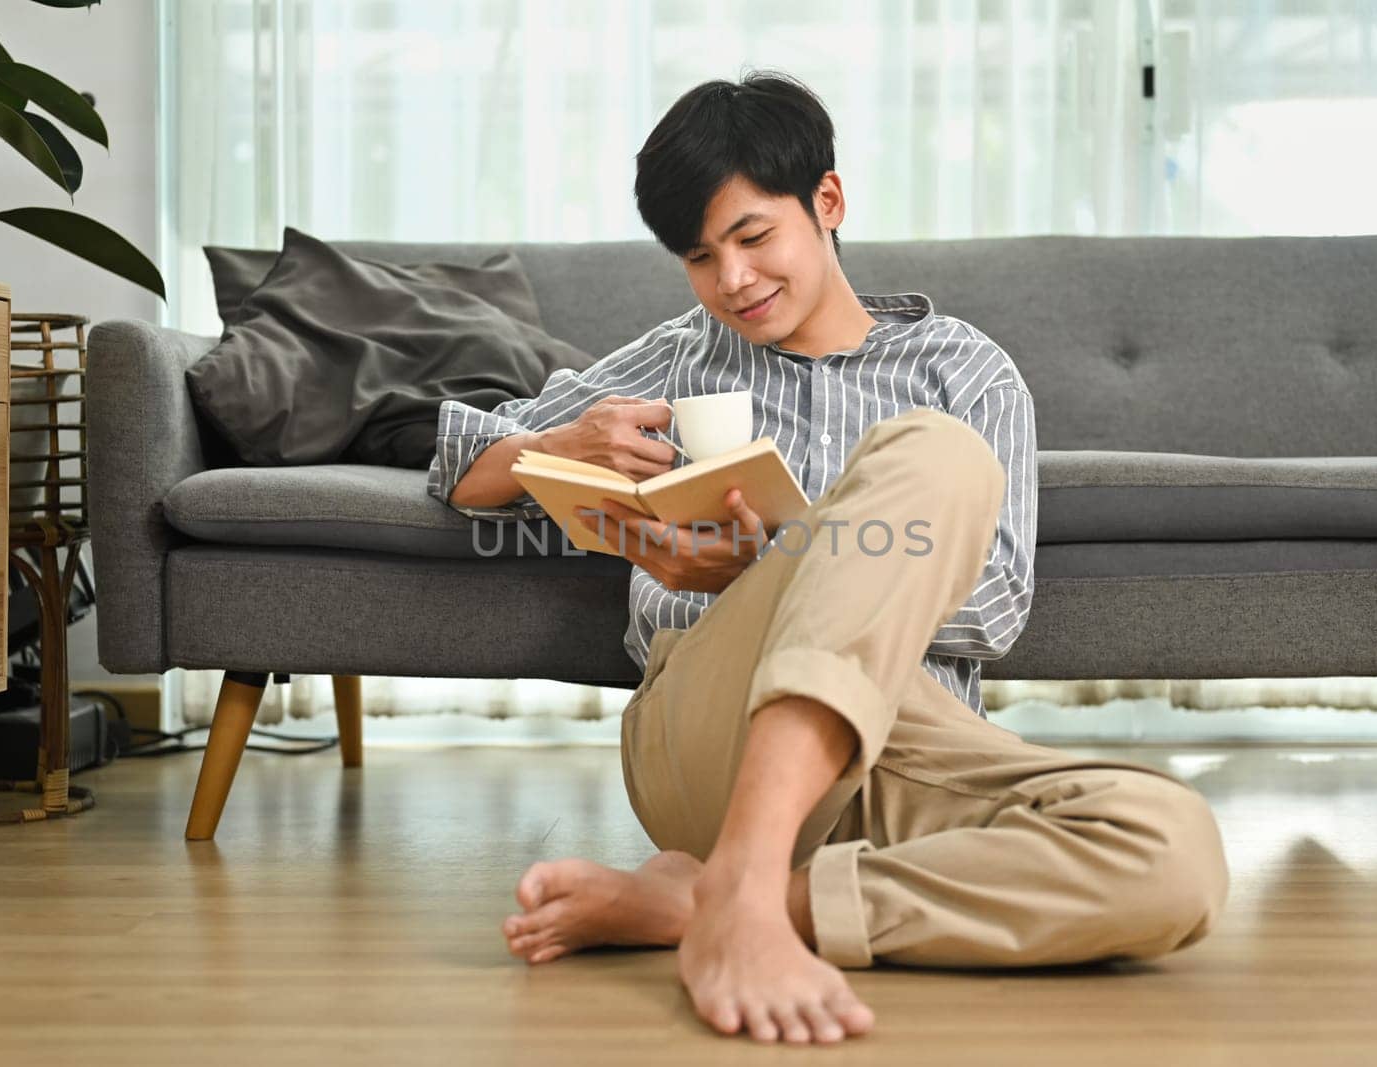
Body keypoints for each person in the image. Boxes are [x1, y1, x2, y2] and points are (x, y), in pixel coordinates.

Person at [427, 70, 1229, 1047]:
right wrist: (563, 448)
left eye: (753, 236)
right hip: (705, 728)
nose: (732, 280)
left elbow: (1003, 604)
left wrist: (795, 558)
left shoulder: (962, 369)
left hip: (904, 736)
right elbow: (466, 463)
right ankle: (747, 874)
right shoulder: (681, 358)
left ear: (828, 203)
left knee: (1173, 850)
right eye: (699, 257)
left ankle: (717, 900)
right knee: (927, 457)